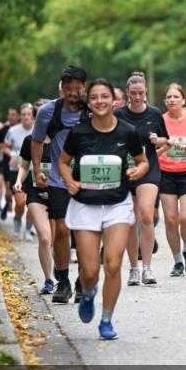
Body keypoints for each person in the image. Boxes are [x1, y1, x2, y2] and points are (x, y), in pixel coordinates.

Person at [59, 78, 148, 340]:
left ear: (114, 101)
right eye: (95, 97)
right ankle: (88, 293)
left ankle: (106, 320)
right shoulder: (79, 133)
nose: (100, 101)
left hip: (117, 204)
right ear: (89, 101)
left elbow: (143, 162)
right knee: (89, 271)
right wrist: (69, 181)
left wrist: (137, 170)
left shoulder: (127, 131)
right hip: (85, 205)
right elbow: (64, 163)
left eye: (105, 97)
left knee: (112, 264)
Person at [31, 65, 89, 304]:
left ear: (84, 88)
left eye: (78, 89)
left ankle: (82, 281)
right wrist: (36, 170)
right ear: (62, 88)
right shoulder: (47, 112)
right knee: (63, 229)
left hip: (88, 181)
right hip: (57, 179)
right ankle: (63, 281)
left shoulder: (93, 110)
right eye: (69, 89)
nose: (73, 94)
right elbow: (35, 141)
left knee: (85, 233)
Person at [115, 72, 169, 286]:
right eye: (133, 93)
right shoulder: (118, 114)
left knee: (146, 215)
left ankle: (147, 268)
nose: (137, 97)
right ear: (128, 93)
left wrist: (159, 140)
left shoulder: (155, 114)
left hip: (149, 169)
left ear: (145, 92)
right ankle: (134, 269)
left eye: (141, 93)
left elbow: (167, 139)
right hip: (126, 171)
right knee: (131, 220)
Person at [159, 83, 186, 276]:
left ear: (183, 100)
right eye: (168, 97)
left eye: (176, 96)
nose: (172, 100)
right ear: (165, 101)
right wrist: (164, 147)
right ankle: (177, 261)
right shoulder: (159, 120)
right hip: (166, 172)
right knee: (170, 219)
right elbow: (153, 147)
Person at [14, 130, 55, 294]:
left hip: (57, 193)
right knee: (45, 238)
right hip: (35, 193)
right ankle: (49, 279)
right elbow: (24, 165)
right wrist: (18, 181)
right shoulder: (29, 140)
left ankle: (61, 271)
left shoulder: (61, 137)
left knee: (56, 240)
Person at [5, 104, 35, 237]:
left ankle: (28, 229)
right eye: (24, 114)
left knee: (33, 204)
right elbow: (6, 147)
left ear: (33, 116)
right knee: (21, 202)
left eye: (29, 114)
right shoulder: (13, 131)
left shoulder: (38, 130)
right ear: (20, 116)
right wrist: (11, 154)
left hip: (33, 171)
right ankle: (17, 219)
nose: (26, 117)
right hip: (15, 170)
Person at [0, 108, 20, 219]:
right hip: (7, 164)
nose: (10, 117)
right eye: (9, 115)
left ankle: (18, 211)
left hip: (22, 165)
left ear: (18, 116)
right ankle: (7, 203)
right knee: (8, 192)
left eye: (13, 115)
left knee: (19, 194)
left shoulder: (22, 129)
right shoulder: (4, 130)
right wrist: (6, 146)